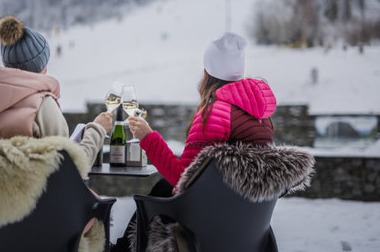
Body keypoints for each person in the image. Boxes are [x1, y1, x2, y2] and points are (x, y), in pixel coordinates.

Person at [111, 33, 277, 251]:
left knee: (162, 189)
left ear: (208, 71)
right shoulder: (261, 116)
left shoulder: (215, 113)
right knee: (163, 187)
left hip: (209, 226)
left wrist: (147, 137)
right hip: (244, 225)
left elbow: (182, 180)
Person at [0, 16, 112, 236]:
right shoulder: (42, 107)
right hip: (37, 231)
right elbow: (71, 172)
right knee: (95, 207)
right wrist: (97, 129)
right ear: (41, 66)